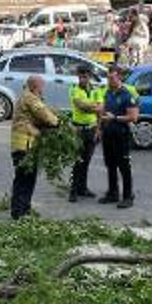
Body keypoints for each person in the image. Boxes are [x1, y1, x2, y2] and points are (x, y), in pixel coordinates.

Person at [9, 75, 60, 220]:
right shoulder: (30, 98)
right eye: (41, 87)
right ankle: (20, 213)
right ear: (34, 87)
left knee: (23, 180)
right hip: (25, 145)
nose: (42, 90)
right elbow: (44, 114)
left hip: (24, 144)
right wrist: (58, 122)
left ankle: (21, 210)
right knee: (25, 180)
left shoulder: (28, 97)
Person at [97, 65, 140, 208]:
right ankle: (112, 193)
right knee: (110, 165)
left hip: (121, 135)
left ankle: (128, 196)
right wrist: (99, 128)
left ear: (119, 77)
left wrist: (114, 118)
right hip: (108, 134)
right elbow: (103, 113)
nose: (109, 80)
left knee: (124, 166)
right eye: (108, 78)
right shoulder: (108, 92)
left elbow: (133, 117)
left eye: (112, 78)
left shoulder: (127, 95)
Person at [68, 65, 103, 202]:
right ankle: (73, 190)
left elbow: (101, 110)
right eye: (81, 76)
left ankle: (83, 188)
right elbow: (80, 107)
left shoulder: (96, 90)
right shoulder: (73, 89)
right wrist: (94, 107)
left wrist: (99, 129)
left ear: (89, 76)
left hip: (92, 129)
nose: (83, 78)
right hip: (78, 129)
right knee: (78, 161)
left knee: (86, 161)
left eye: (85, 76)